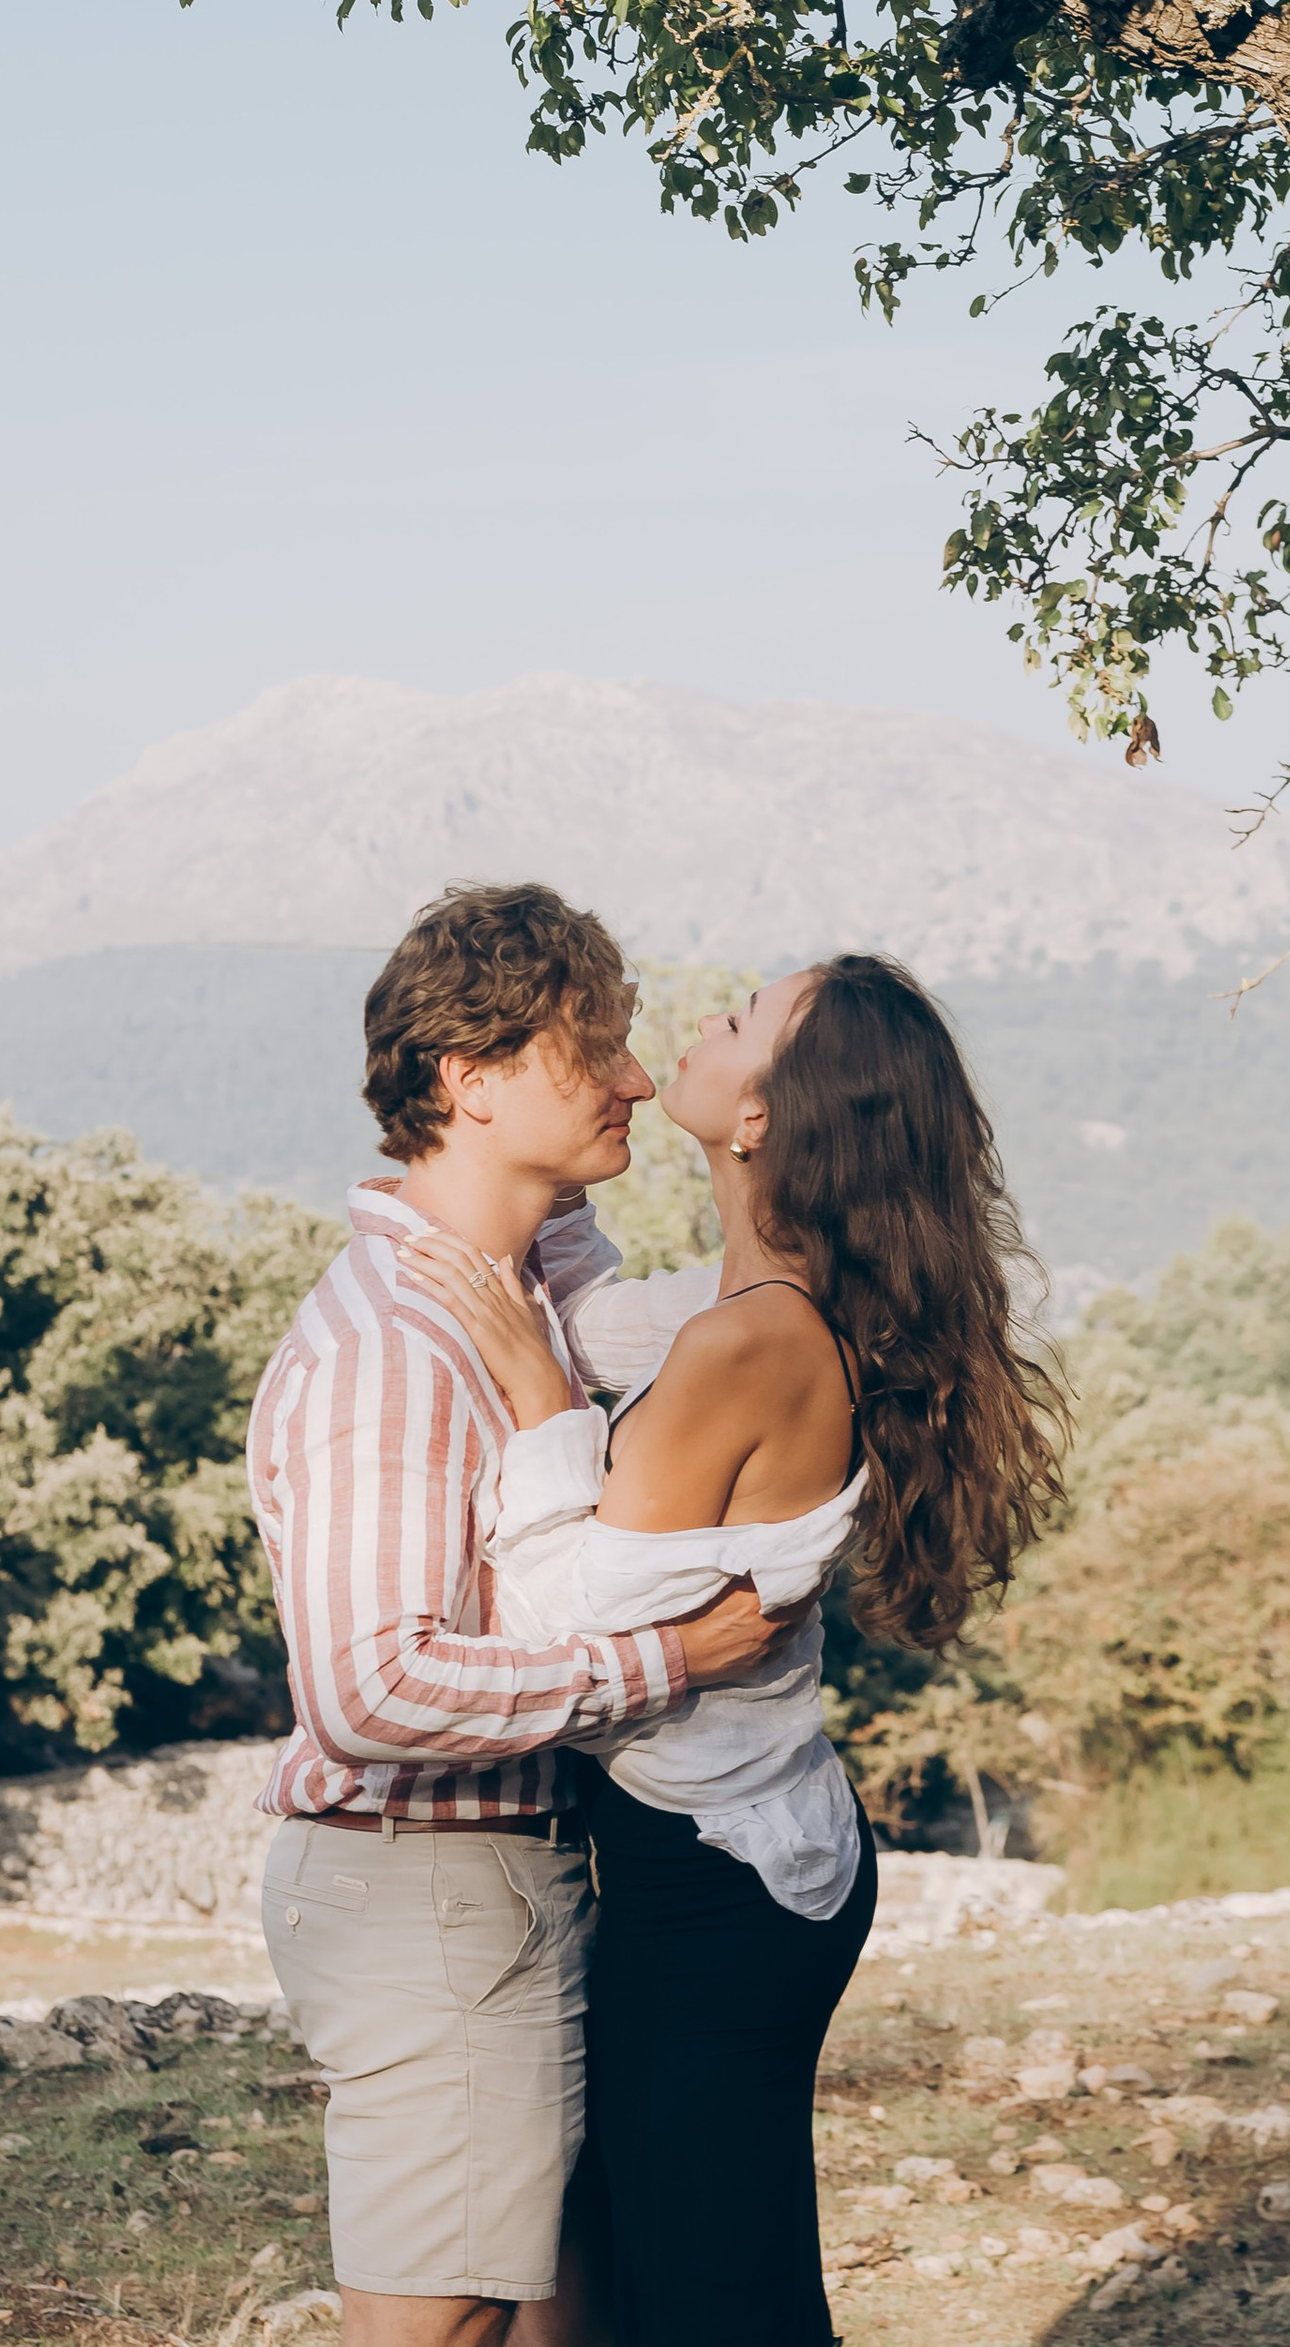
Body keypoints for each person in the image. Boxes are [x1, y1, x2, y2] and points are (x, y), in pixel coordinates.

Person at [405, 951, 1068, 2347]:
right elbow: (595, 1321)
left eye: (740, 1017)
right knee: (659, 2265)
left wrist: (534, 1403)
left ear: (766, 1113)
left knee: (715, 2300)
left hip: (717, 1891)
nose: (696, 1025)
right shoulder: (750, 1300)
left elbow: (562, 1621)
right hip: (739, 1861)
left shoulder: (755, 1340)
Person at [246, 883, 794, 2347]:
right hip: (425, 1886)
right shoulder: (397, 1348)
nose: (630, 1074)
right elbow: (369, 1690)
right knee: (452, 2327)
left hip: (488, 1881)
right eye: (592, 1047)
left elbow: (702, 1320)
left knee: (555, 2319)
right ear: (470, 1081)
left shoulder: (519, 1278)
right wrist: (662, 1661)